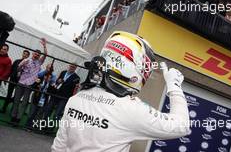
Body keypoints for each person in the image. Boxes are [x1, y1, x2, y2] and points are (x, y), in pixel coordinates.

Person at [51, 31, 190, 152]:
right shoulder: (130, 109)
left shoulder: (76, 98)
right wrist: (174, 85)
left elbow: (58, 147)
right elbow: (181, 126)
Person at [11, 38, 47, 124]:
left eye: (38, 55)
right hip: (21, 82)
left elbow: (45, 55)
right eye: (35, 54)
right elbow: (18, 69)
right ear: (33, 53)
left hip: (30, 84)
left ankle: (18, 119)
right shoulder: (26, 60)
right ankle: (13, 116)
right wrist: (21, 68)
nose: (36, 55)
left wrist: (44, 46)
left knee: (24, 102)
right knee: (16, 100)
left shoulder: (39, 63)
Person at [25, 63, 56, 130]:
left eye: (49, 77)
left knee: (40, 113)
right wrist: (38, 86)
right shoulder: (40, 77)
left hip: (44, 99)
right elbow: (33, 86)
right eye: (46, 76)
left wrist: (51, 85)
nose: (47, 77)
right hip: (36, 97)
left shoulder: (51, 83)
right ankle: (28, 125)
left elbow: (53, 91)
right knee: (32, 111)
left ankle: (34, 126)